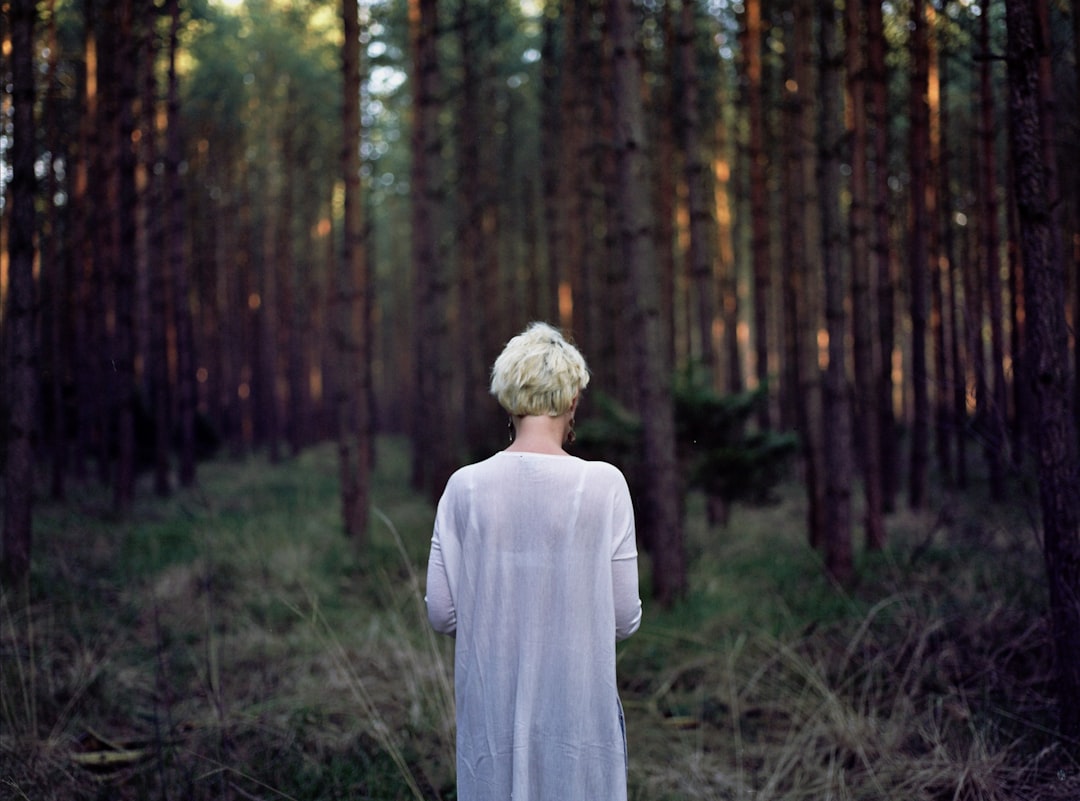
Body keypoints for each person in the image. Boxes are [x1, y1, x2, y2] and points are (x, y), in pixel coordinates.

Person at [425, 321, 643, 801]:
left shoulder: (464, 487)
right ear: (571, 402)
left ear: (508, 401)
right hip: (579, 728)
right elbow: (625, 618)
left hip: (491, 726)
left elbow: (442, 614)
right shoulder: (605, 485)